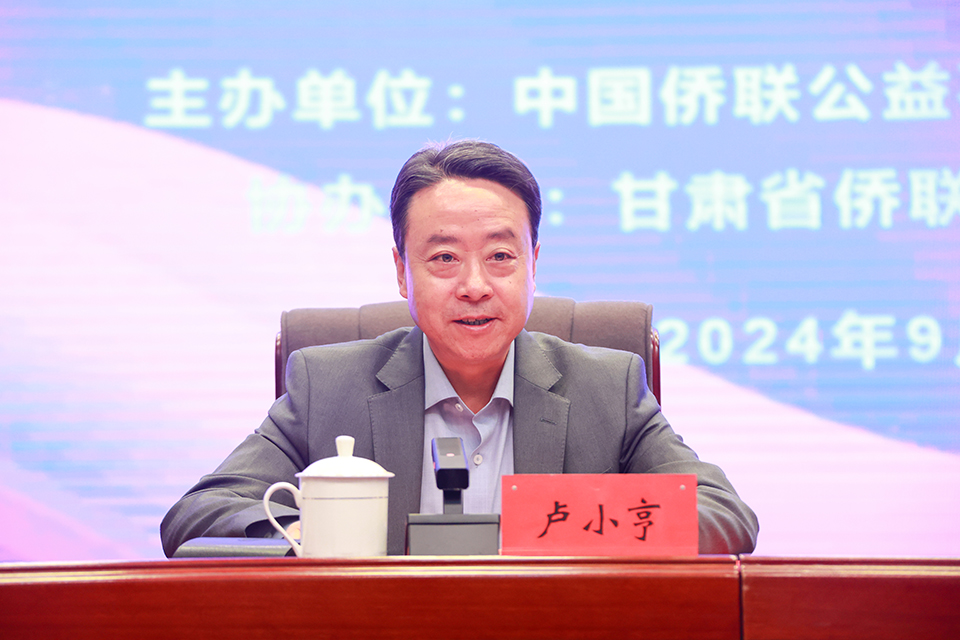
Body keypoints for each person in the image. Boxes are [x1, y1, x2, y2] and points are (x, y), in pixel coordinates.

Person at [160, 140, 758, 557]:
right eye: (444, 257)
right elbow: (197, 514)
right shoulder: (327, 387)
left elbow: (724, 515)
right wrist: (314, 535)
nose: (474, 285)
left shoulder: (609, 387)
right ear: (402, 272)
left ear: (533, 264)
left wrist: (567, 528)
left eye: (500, 256)